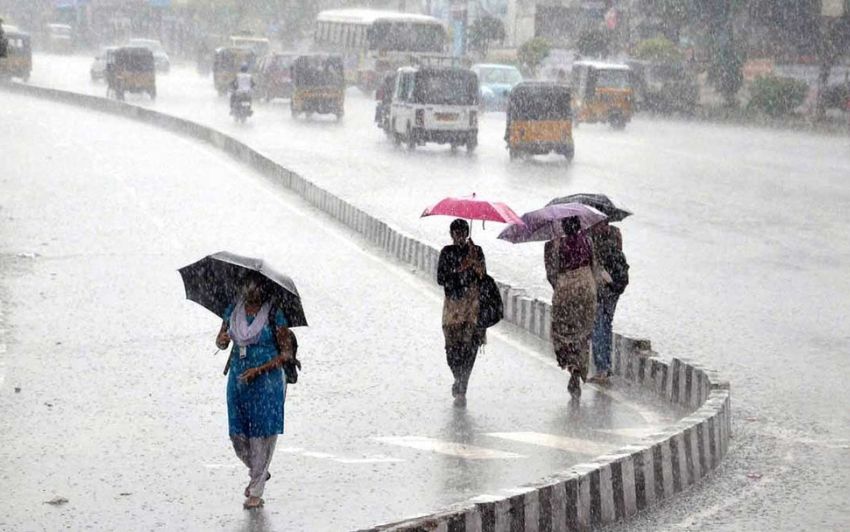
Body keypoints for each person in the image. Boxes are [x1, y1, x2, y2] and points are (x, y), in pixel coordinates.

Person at [215, 275, 292, 509]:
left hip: (267, 383)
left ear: (263, 290)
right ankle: (259, 469)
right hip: (238, 380)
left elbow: (286, 354)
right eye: (247, 287)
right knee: (238, 435)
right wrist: (222, 339)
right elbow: (220, 343)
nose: (250, 292)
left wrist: (258, 370)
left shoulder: (274, 314)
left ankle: (256, 490)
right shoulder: (232, 311)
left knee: (262, 436)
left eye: (255, 288)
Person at [545, 216, 599, 398]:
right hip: (587, 289)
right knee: (583, 333)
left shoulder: (556, 245)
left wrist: (561, 288)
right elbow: (594, 266)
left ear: (563, 227)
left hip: (566, 290)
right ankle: (578, 369)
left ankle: (572, 366)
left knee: (562, 331)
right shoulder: (588, 240)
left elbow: (552, 273)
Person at [437, 219, 486, 407]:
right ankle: (458, 376)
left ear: (466, 234)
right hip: (453, 306)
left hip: (472, 306)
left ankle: (463, 383)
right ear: (451, 235)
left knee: (470, 345)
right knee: (452, 348)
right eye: (456, 233)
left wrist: (475, 264)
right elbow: (441, 279)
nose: (459, 237)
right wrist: (460, 269)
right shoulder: (446, 252)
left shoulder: (477, 251)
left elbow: (483, 277)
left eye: (462, 233)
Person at [588, 222, 629, 384]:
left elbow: (596, 262)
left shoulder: (595, 237)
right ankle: (605, 366)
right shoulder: (615, 232)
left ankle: (602, 369)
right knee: (605, 325)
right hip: (614, 288)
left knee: (598, 326)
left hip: (605, 288)